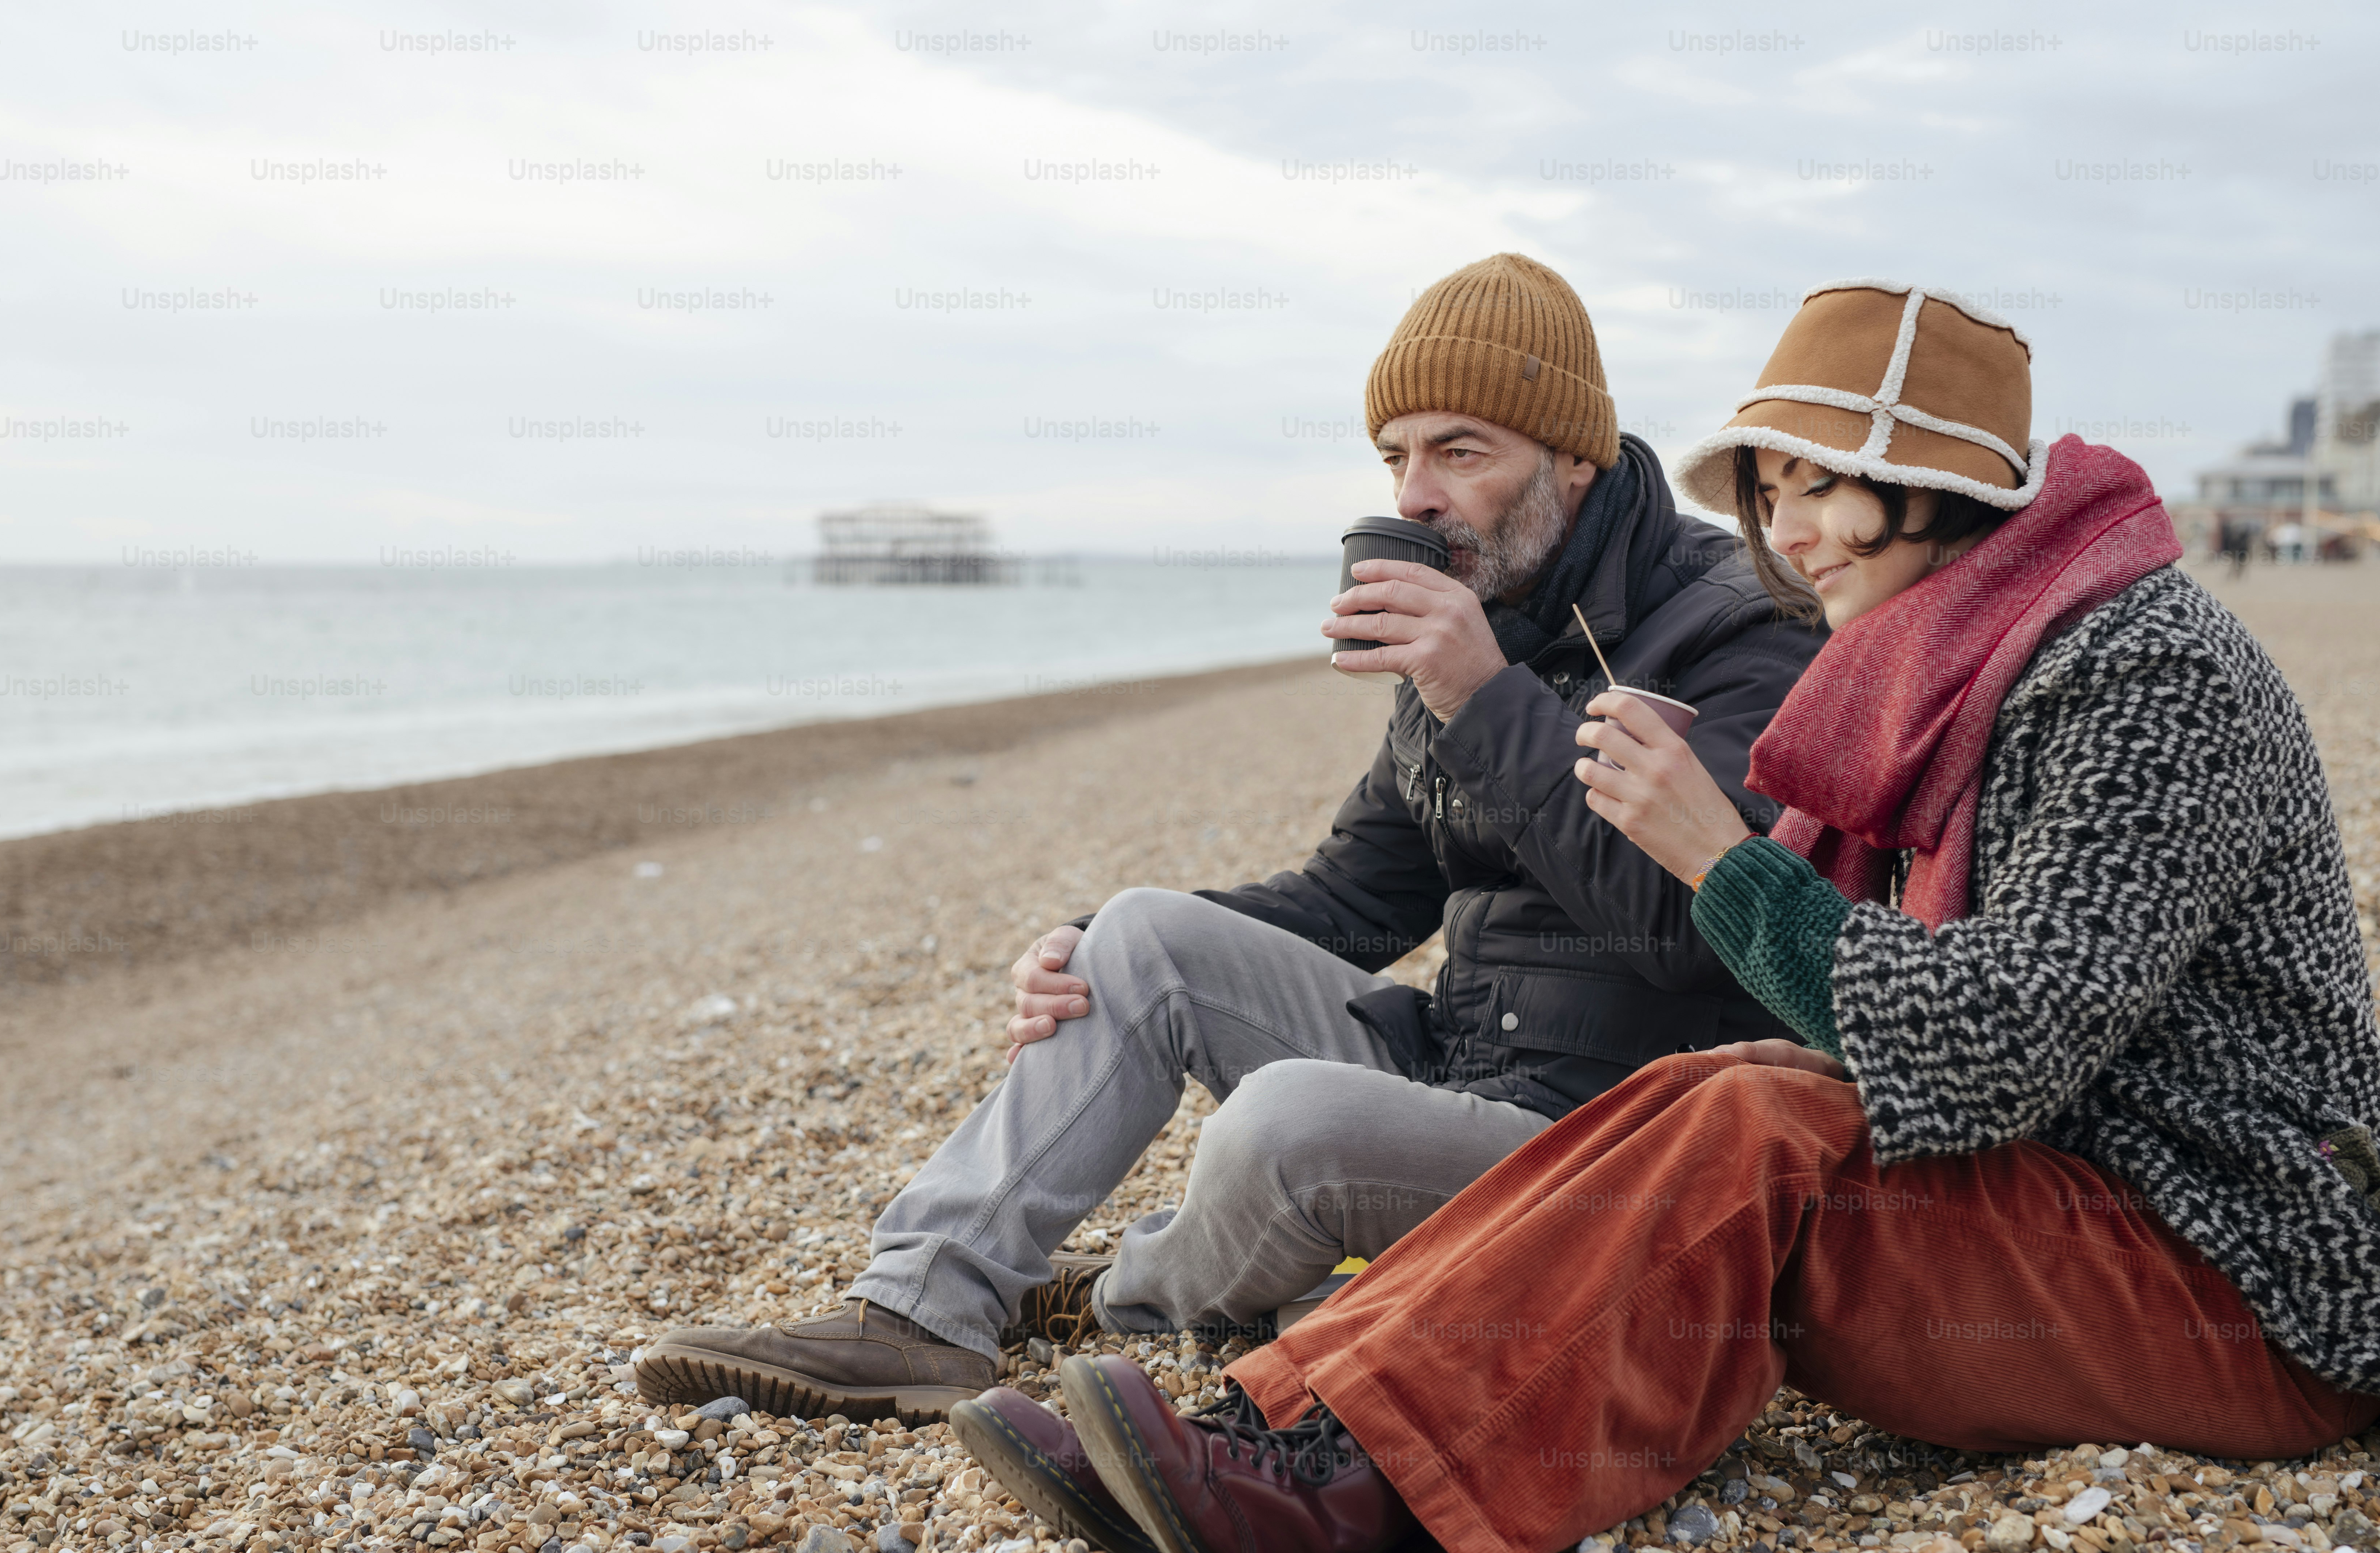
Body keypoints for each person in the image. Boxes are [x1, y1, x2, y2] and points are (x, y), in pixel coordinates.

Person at [953, 279, 2380, 1553]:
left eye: (1825, 479)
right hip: (2060, 1211)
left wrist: (1715, 854)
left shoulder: (2137, 672)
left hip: (2241, 1278)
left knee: (1749, 1118)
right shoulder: (1945, 683)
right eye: (1774, 484)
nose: (1788, 523)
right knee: (1716, 1089)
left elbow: (1991, 1045)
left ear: (1945, 488)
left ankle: (1326, 1497)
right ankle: (1267, 1426)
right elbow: (1365, 892)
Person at [636, 254, 1824, 1426]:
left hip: (1615, 1145)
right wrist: (1095, 953)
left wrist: (1480, 691)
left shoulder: (1743, 622)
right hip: (1460, 1073)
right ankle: (916, 1311)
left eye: (1461, 450)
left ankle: (1129, 1288)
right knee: (1144, 931)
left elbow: (1693, 929)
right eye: (1396, 456)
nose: (1415, 494)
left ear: (1579, 455)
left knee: (1284, 1126)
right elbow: (1357, 898)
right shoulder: (1475, 624)